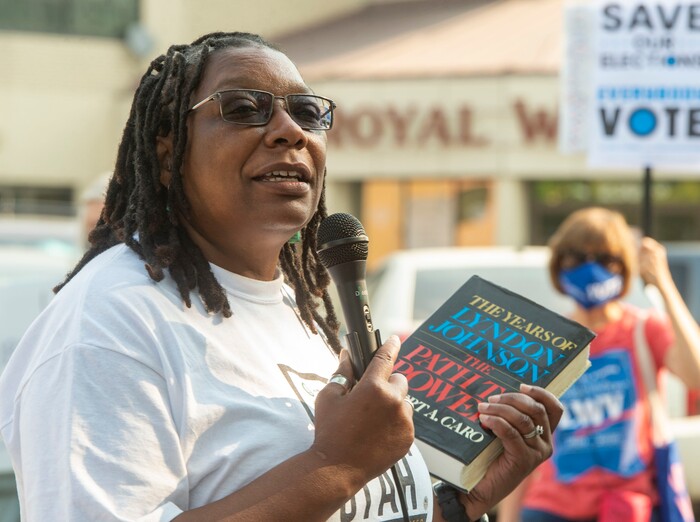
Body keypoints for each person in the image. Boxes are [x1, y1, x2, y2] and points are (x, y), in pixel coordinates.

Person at [0, 31, 564, 521]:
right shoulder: (109, 324)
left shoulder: (297, 309)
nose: (289, 130)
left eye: (308, 112)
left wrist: (457, 507)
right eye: (245, 107)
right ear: (167, 152)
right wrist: (336, 462)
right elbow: (330, 472)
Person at [498, 207, 700, 522]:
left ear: (624, 266)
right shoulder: (544, 341)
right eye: (576, 257)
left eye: (606, 258)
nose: (590, 268)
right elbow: (523, 437)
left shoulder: (643, 330)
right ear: (558, 265)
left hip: (630, 507)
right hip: (551, 509)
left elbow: (696, 375)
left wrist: (663, 283)